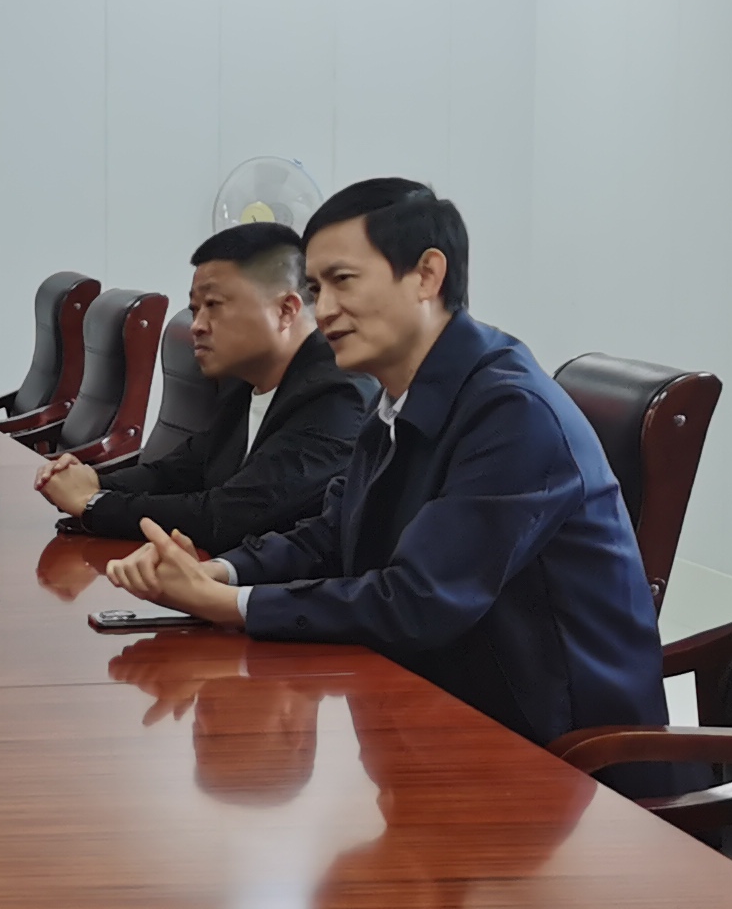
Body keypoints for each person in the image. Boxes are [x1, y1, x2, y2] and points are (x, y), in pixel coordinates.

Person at [100, 177, 663, 751]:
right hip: (439, 716)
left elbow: (419, 600)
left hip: (566, 757)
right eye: (316, 288)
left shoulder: (512, 412)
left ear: (426, 275)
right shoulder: (397, 398)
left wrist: (233, 606)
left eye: (343, 280)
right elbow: (332, 534)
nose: (324, 310)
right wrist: (219, 573)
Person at [40, 221, 365, 551]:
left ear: (285, 310)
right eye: (195, 309)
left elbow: (228, 517)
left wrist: (94, 503)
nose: (197, 326)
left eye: (213, 305)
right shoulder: (244, 383)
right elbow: (181, 471)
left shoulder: (337, 396)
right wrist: (96, 481)